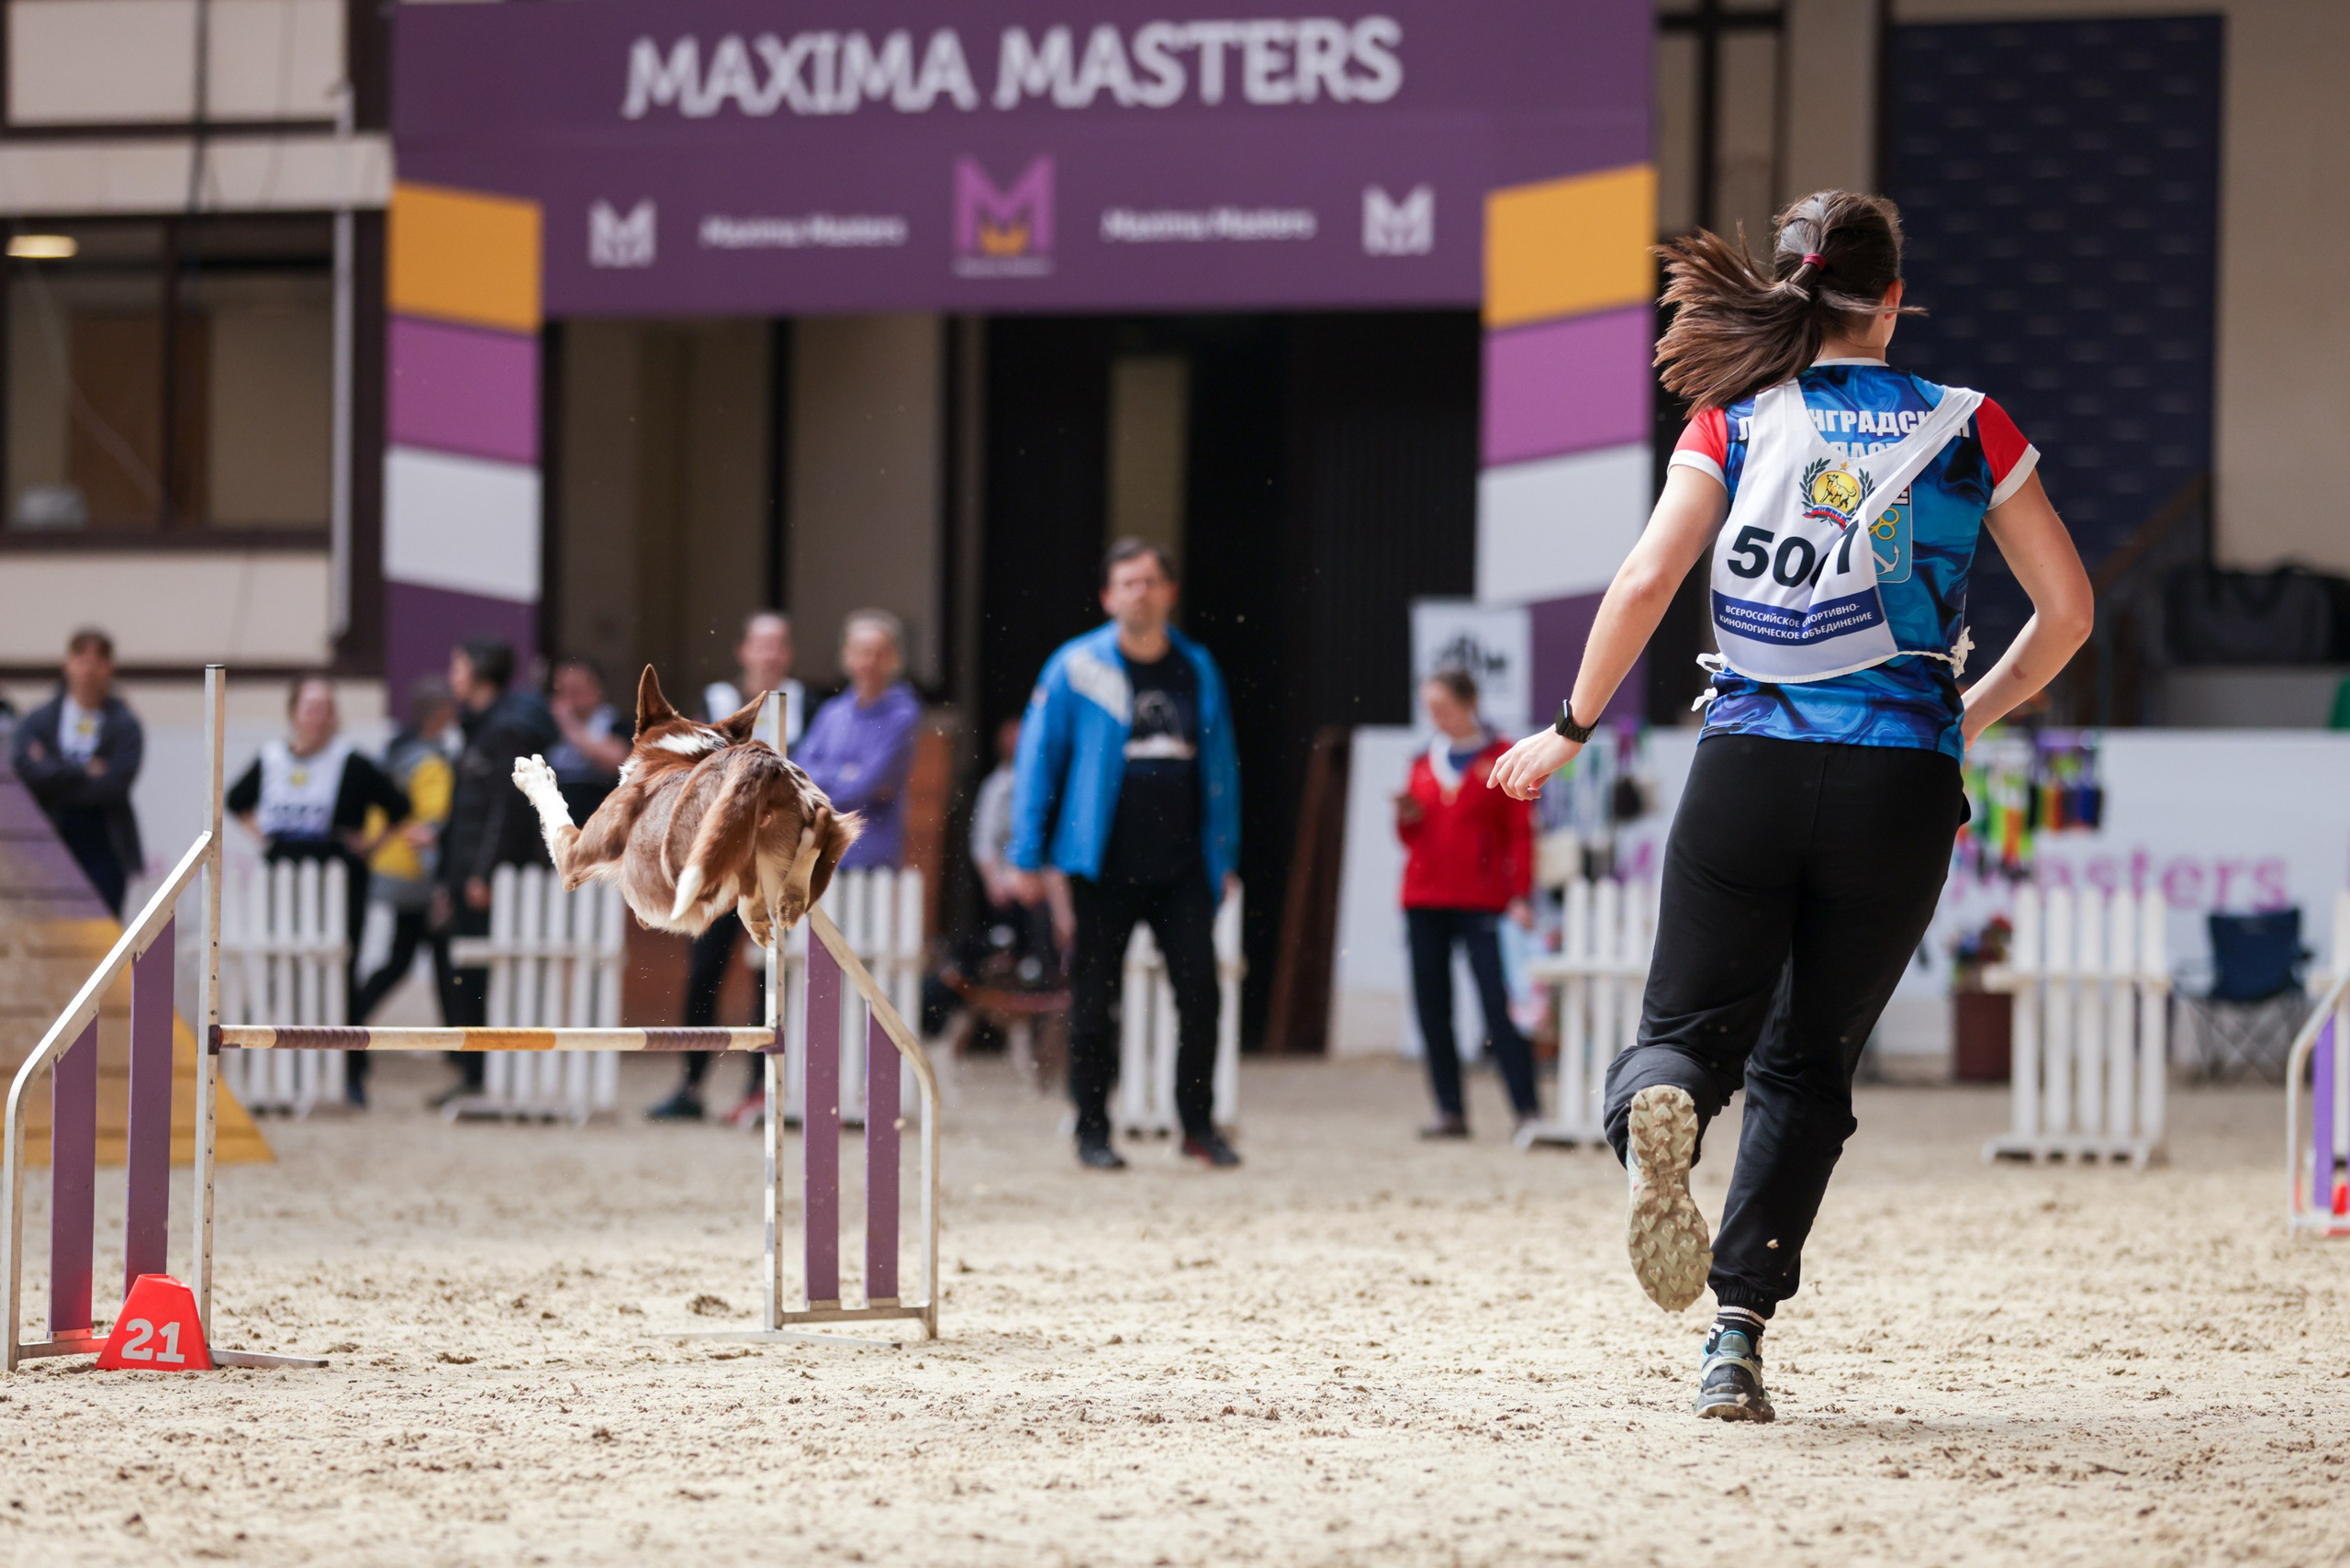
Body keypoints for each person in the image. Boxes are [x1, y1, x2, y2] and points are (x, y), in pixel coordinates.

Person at [1490, 191, 2092, 1423]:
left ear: (1786, 289)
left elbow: (1652, 574)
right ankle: (1737, 1333)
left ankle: (1660, 1106)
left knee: (1687, 1023)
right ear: (1894, 293)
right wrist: (1960, 719)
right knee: (1808, 1067)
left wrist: (1570, 727)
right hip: (1899, 782)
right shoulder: (1970, 426)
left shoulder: (1734, 423)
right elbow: (2068, 613)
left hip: (1749, 758)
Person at [1008, 541, 1243, 1171]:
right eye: (1127, 583)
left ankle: (1197, 1126)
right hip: (1100, 863)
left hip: (1184, 866)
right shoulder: (1075, 666)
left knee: (1201, 995)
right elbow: (1038, 760)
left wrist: (1225, 855)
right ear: (1109, 597)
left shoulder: (1197, 667)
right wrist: (1025, 852)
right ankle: (1092, 1131)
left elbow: (1221, 768)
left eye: (1151, 581)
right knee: (1093, 1001)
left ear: (1169, 592)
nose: (1140, 592)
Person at [646, 610, 806, 1125]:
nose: (770, 655)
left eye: (778, 645)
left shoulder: (809, 704)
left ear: (788, 654)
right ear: (744, 652)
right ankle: (691, 1083)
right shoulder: (715, 702)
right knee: (705, 973)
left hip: (779, 858)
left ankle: (761, 1089)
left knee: (771, 976)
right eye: (762, 645)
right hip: (722, 856)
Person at [227, 674, 410, 1105]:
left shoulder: (355, 762)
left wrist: (370, 846)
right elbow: (237, 800)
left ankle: (348, 1071)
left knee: (339, 971)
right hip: (283, 875)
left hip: (339, 876)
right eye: (311, 707)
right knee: (277, 966)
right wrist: (266, 839)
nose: (319, 716)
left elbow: (400, 809)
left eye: (327, 707)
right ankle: (273, 1063)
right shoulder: (271, 758)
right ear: (294, 713)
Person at [1394, 667, 1539, 1139]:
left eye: (1443, 707)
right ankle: (1450, 1110)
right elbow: (1410, 836)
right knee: (1432, 1006)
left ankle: (1527, 1108)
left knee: (1499, 1005)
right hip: (1424, 896)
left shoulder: (1503, 756)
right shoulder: (1421, 761)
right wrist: (1407, 816)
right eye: (1430, 708)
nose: (1435, 716)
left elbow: (1520, 830)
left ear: (1469, 703)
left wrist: (1520, 892)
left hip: (1483, 900)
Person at [431, 640, 558, 1106]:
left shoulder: (507, 730)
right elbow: (462, 812)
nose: (452, 674)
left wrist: (481, 873)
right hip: (466, 873)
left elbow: (505, 811)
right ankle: (471, 1070)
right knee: (460, 971)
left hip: (490, 878)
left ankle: (483, 1073)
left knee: (480, 975)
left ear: (481, 671)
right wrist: (447, 879)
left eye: (458, 664)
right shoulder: (478, 727)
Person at [10, 629, 143, 915]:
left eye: (96, 662)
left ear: (109, 667)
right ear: (68, 663)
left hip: (104, 841)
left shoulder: (124, 725)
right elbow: (25, 770)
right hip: (50, 836)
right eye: (81, 660)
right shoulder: (40, 719)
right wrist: (83, 770)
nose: (88, 671)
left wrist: (54, 772)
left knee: (101, 929)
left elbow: (115, 784)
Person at [353, 678, 458, 1027]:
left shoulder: (394, 752)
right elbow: (434, 820)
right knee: (433, 959)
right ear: (441, 714)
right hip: (419, 873)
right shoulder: (431, 761)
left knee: (406, 958)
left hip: (388, 865)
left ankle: (352, 1017)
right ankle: (351, 1017)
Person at [797, 610, 923, 872]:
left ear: (894, 659)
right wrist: (846, 773)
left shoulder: (903, 715)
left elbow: (868, 784)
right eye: (862, 652)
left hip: (872, 856)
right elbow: (799, 774)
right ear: (846, 656)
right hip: (821, 851)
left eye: (879, 653)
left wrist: (825, 782)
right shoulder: (832, 712)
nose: (869, 662)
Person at [545, 655, 630, 821]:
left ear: (597, 690)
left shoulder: (616, 725)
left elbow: (621, 761)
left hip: (599, 821)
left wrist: (572, 727)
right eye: (561, 691)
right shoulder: (547, 727)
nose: (569, 699)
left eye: (576, 690)